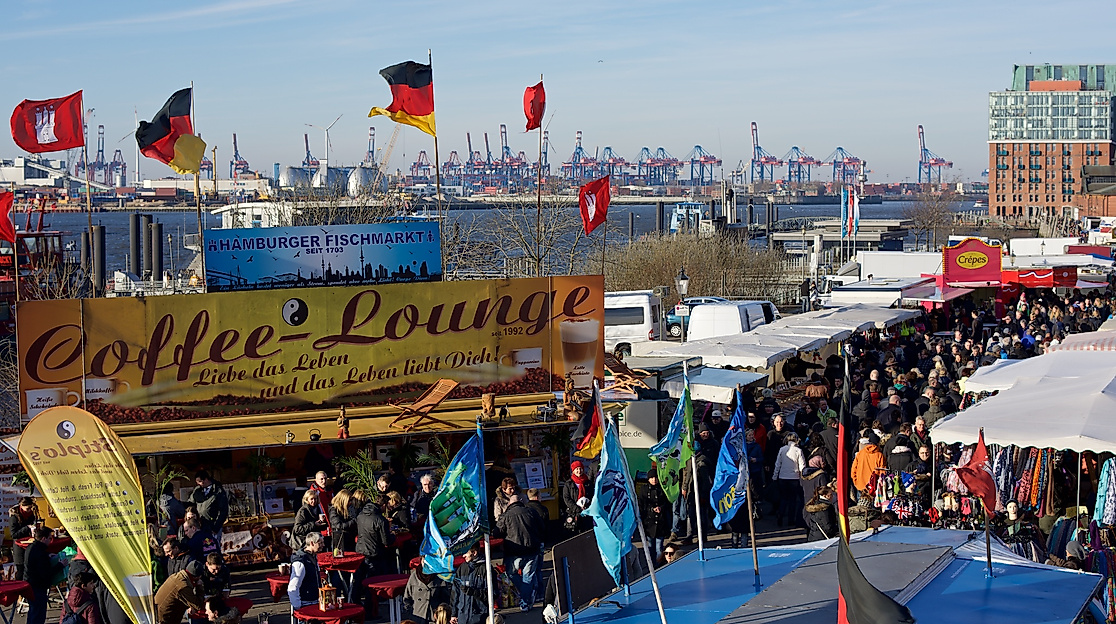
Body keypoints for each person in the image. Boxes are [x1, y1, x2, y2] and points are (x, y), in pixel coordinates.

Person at [496, 494, 544, 611]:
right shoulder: (531, 512)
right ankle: (525, 599)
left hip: (514, 551)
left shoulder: (506, 515)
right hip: (531, 549)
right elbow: (542, 528)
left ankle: (525, 597)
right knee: (528, 576)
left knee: (511, 574)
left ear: (509, 503)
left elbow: (497, 532)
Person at [354, 493, 392, 604]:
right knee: (372, 583)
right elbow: (386, 541)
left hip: (361, 551)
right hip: (374, 553)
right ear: (383, 505)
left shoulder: (361, 515)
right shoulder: (381, 520)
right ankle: (370, 610)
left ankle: (355, 604)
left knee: (359, 581)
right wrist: (393, 536)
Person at [24, 526, 62, 624]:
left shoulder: (31, 547)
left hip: (30, 584)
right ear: (43, 538)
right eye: (49, 538)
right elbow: (45, 573)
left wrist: (47, 555)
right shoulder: (40, 552)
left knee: (33, 613)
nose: (51, 541)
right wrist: (60, 565)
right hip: (38, 586)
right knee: (38, 615)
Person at [772, 432, 805, 528]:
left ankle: (780, 515)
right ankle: (791, 519)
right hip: (794, 478)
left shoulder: (782, 450)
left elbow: (778, 464)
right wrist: (803, 477)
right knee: (793, 500)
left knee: (784, 498)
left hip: (783, 477)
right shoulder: (798, 451)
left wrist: (775, 476)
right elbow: (802, 466)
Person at [449, 545, 488, 624]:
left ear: (474, 553)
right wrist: (453, 614)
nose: (463, 556)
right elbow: (455, 592)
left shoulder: (486, 569)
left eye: (465, 552)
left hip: (479, 616)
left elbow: (493, 594)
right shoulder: (462, 568)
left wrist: (473, 592)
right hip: (463, 616)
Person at [639, 470, 671, 562]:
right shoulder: (644, 490)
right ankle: (652, 564)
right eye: (652, 478)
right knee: (650, 546)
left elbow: (666, 503)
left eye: (656, 478)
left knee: (659, 547)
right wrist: (651, 510)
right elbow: (642, 505)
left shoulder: (662, 489)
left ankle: (658, 564)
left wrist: (661, 508)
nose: (654, 480)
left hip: (660, 523)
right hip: (649, 523)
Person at [287, 532, 323, 609]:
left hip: (314, 601)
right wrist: (297, 606)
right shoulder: (300, 562)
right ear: (312, 543)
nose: (323, 545)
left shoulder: (312, 557)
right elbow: (293, 586)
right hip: (306, 604)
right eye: (320, 543)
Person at [189, 471, 229, 540]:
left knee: (213, 546)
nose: (198, 484)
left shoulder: (218, 491)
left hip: (212, 525)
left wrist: (216, 527)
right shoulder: (197, 490)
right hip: (200, 524)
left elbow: (223, 511)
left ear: (206, 479)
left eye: (200, 481)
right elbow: (190, 503)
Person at [9, 496, 40, 580]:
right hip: (19, 548)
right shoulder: (14, 517)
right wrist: (27, 528)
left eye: (31, 508)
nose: (29, 510)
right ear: (21, 506)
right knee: (21, 571)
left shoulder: (31, 515)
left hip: (29, 545)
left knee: (31, 569)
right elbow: (13, 534)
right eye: (28, 508)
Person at [561, 461, 592, 535]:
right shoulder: (568, 484)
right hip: (573, 513)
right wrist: (577, 508)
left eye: (580, 469)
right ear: (573, 471)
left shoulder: (588, 483)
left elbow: (592, 495)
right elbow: (566, 498)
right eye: (577, 469)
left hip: (586, 512)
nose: (579, 471)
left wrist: (587, 506)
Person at [309, 471, 334, 546]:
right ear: (316, 480)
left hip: (331, 525)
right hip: (320, 527)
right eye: (321, 479)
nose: (324, 481)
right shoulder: (313, 494)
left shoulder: (330, 491)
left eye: (325, 479)